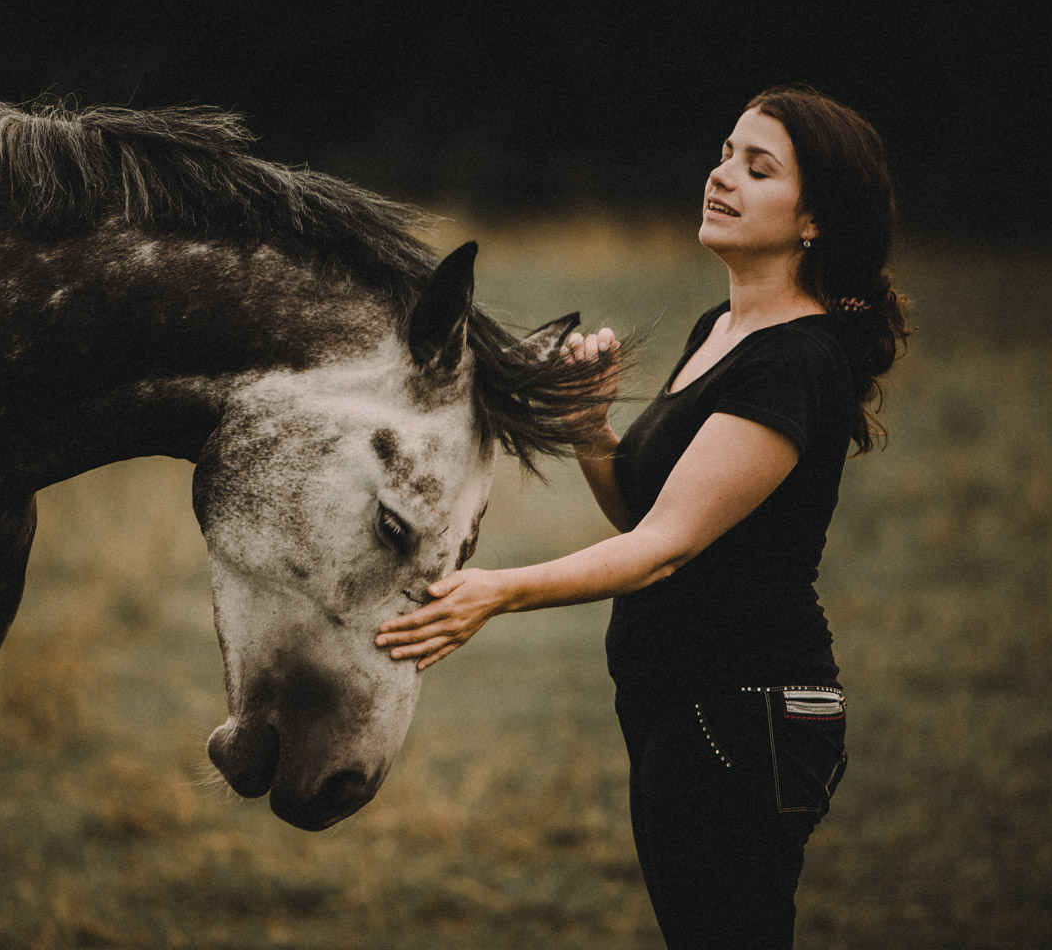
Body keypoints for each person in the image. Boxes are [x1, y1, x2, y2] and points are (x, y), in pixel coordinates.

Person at [375, 85, 910, 947]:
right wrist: (591, 425)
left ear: (813, 220)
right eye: (726, 152)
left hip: (746, 714)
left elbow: (664, 549)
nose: (722, 174)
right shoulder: (721, 328)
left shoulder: (795, 360)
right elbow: (646, 509)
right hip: (682, 707)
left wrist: (496, 592)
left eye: (757, 167)